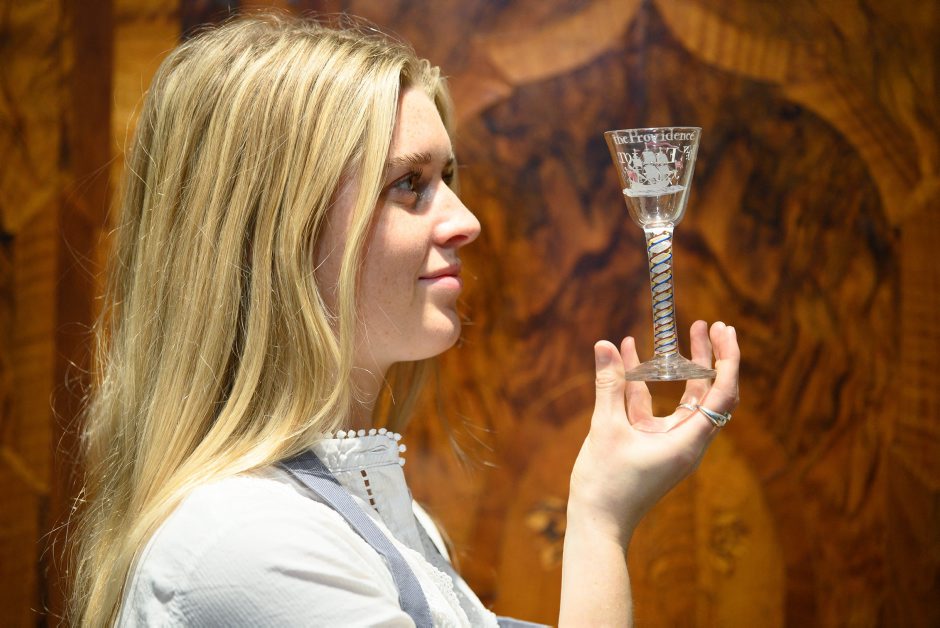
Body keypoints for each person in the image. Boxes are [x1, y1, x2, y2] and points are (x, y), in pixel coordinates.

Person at [69, 13, 740, 627]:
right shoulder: (248, 544)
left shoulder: (373, 513)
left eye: (448, 177)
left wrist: (600, 504)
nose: (466, 221)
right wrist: (604, 522)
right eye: (408, 184)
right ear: (275, 230)